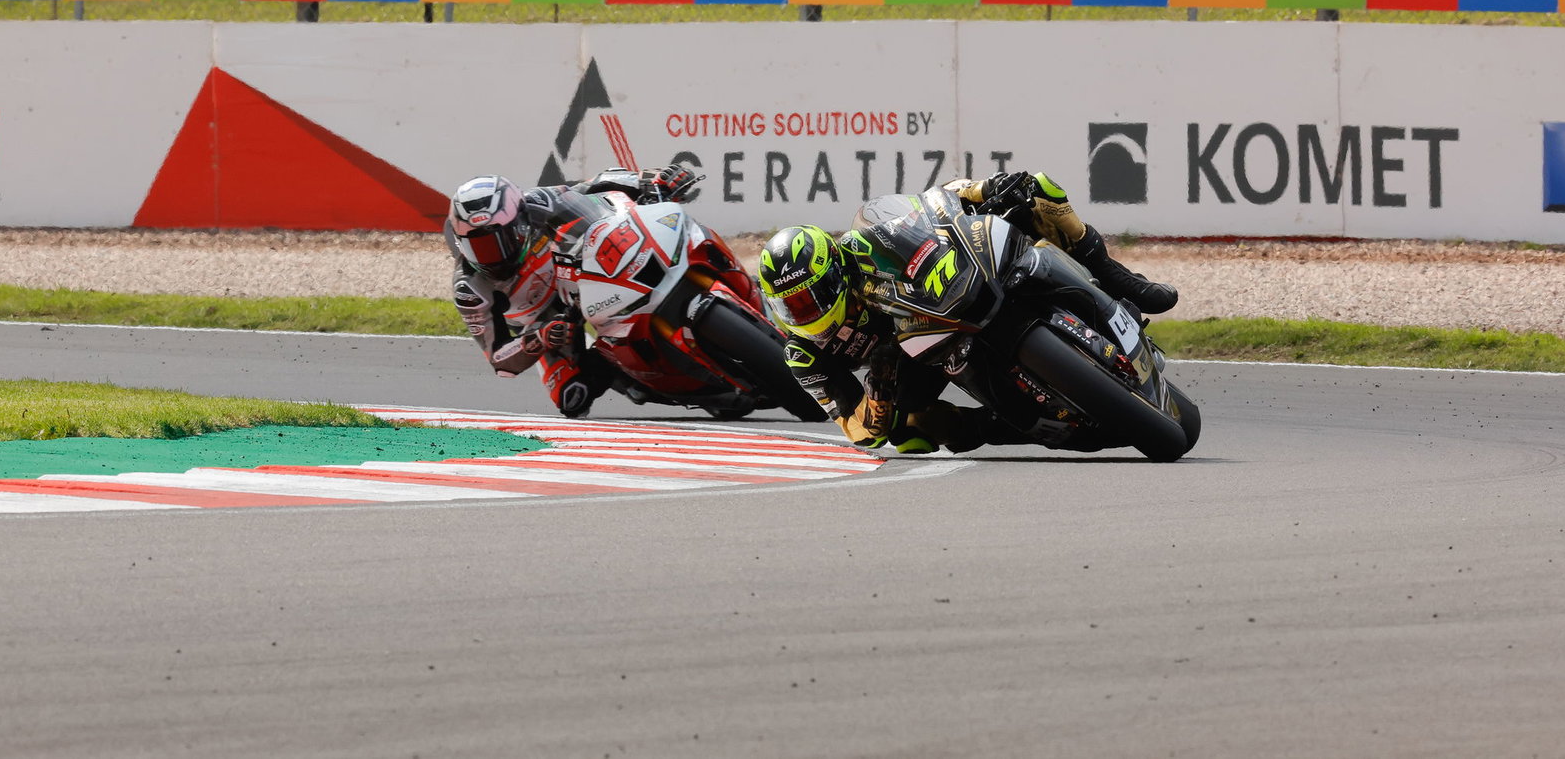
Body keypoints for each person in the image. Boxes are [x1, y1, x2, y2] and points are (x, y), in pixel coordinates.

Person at [757, 169, 1178, 454]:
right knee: (909, 434)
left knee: (1039, 190)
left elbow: (929, 204)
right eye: (791, 305)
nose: (803, 311)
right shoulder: (803, 355)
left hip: (939, 302)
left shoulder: (857, 248)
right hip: (909, 361)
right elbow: (860, 431)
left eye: (810, 297)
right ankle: (1010, 426)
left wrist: (985, 191)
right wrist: (879, 391)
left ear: (832, 273)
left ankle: (1118, 279)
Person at [445, 165, 698, 419]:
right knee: (573, 397)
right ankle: (674, 386)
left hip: (588, 275)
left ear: (519, 223)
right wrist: (541, 337)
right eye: (478, 247)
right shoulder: (469, 288)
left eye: (501, 239)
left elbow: (595, 184)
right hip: (547, 321)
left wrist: (654, 181)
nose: (493, 255)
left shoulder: (538, 204)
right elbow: (499, 359)